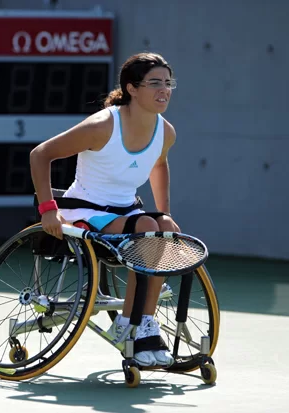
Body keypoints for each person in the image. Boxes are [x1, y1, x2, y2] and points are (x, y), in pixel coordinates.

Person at [30, 52, 180, 367]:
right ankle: (128, 324)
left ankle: (145, 323)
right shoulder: (102, 125)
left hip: (126, 215)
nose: (163, 90)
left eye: (168, 83)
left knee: (167, 230)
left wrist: (164, 214)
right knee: (149, 231)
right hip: (82, 215)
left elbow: (159, 165)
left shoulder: (165, 132)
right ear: (132, 88)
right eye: (154, 83)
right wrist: (48, 208)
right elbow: (40, 154)